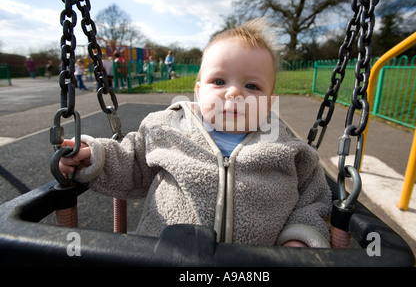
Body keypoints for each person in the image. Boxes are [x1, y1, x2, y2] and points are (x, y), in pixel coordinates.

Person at [58, 18, 332, 248]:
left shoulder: (287, 149)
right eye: (220, 81)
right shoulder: (167, 128)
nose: (234, 92)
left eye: (252, 86)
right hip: (167, 256)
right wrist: (93, 157)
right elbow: (132, 161)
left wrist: (300, 237)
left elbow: (314, 197)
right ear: (199, 92)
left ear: (270, 104)